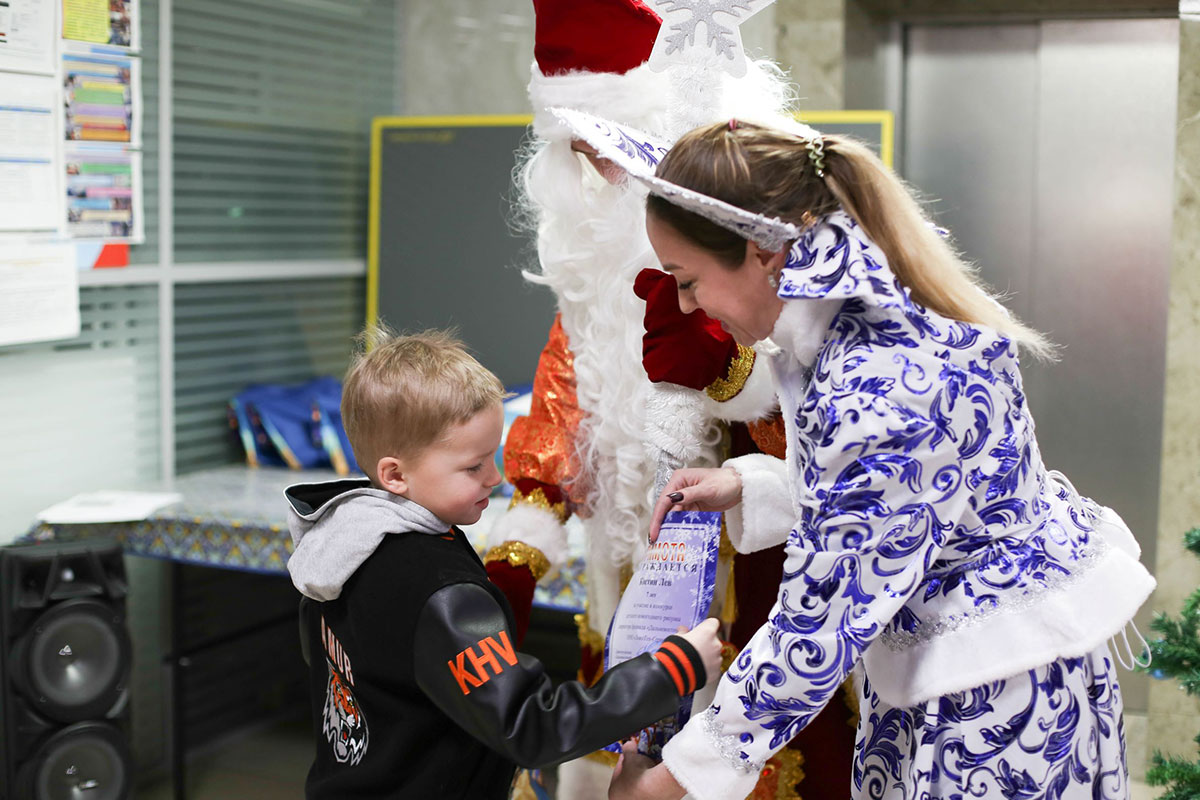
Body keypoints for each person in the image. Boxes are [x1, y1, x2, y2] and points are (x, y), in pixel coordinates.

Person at [606, 121, 1156, 800]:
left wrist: (677, 777)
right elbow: (910, 499)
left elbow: (819, 620)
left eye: (688, 280)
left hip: (992, 710)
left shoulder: (878, 386)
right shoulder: (871, 310)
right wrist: (750, 485)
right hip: (989, 669)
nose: (688, 305)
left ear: (762, 252)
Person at [495, 1, 859, 795]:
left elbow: (817, 430)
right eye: (578, 153)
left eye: (608, 148)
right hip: (630, 577)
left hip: (751, 583)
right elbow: (559, 409)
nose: (596, 173)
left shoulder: (783, 262)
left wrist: (723, 373)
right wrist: (514, 559)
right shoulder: (593, 276)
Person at [283, 327, 723, 800]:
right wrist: (670, 670)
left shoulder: (338, 544)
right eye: (473, 467)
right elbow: (531, 726)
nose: (494, 478)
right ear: (395, 475)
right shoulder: (441, 592)